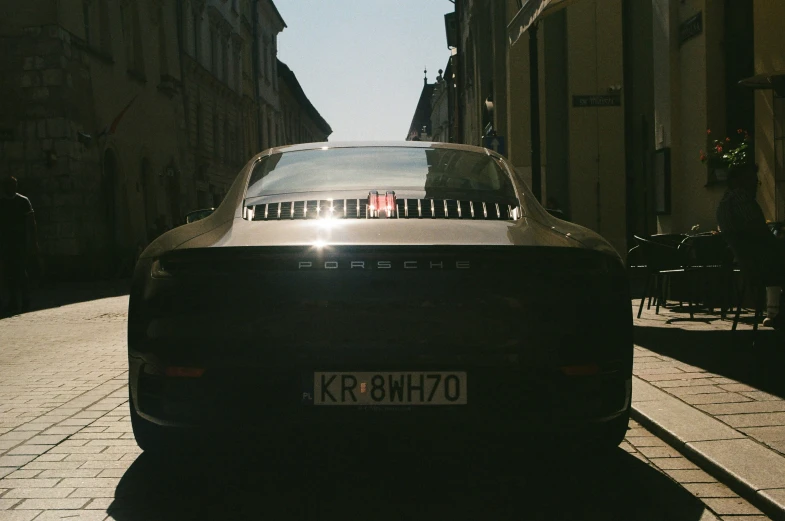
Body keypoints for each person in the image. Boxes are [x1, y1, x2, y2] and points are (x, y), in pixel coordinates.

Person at [716, 165, 785, 328]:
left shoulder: (723, 204)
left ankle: (777, 313)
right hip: (766, 265)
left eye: (756, 182)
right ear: (736, 181)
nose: (755, 185)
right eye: (751, 181)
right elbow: (761, 233)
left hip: (752, 267)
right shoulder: (741, 199)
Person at [0, 175, 39, 314]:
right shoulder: (2, 203)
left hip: (20, 242)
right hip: (6, 243)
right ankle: (13, 301)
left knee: (21, 272)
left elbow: (31, 222)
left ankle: (25, 300)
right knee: (9, 272)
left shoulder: (23, 201)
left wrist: (33, 242)